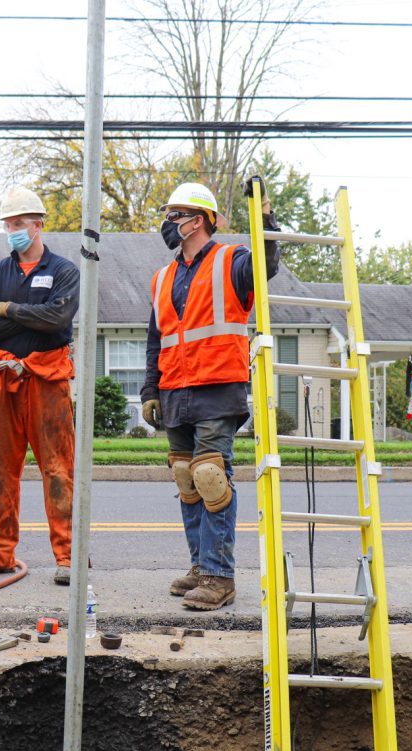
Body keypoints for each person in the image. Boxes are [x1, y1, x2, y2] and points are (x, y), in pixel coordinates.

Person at [140, 181, 279, 611]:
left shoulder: (231, 260)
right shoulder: (163, 278)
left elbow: (266, 267)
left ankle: (220, 576)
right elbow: (155, 339)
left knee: (210, 476)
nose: (167, 224)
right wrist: (150, 389)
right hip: (176, 390)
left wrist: (266, 222)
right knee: (187, 477)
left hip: (218, 386)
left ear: (196, 221)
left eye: (173, 216)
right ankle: (201, 567)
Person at [0, 186, 80, 586]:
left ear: (39, 225)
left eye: (19, 223)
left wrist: (12, 310)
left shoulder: (63, 270)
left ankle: (68, 557)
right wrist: (37, 315)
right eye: (9, 224)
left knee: (58, 470)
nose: (13, 230)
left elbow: (59, 318)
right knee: (1, 469)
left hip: (48, 382)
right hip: (5, 381)